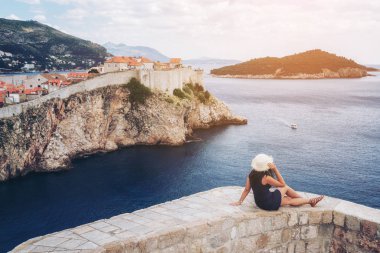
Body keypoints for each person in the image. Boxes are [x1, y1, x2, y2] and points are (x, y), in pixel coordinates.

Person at [230, 154, 324, 210]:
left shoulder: (251, 174)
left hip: (260, 203)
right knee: (286, 189)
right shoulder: (266, 178)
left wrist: (240, 201)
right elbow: (283, 184)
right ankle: (306, 200)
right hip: (268, 203)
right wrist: (275, 169)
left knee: (288, 199)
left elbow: (246, 189)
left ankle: (308, 201)